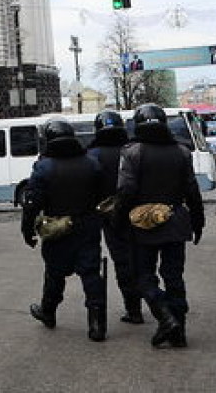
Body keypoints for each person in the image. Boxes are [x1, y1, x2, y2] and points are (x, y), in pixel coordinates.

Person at [115, 103, 204, 349]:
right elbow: (192, 191)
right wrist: (198, 221)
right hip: (176, 221)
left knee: (143, 275)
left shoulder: (132, 152)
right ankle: (179, 331)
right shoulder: (182, 151)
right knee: (174, 277)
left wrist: (118, 220)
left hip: (143, 225)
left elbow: (126, 190)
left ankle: (165, 316)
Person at [22, 117, 108, 342]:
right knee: (91, 274)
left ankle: (48, 312)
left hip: (57, 229)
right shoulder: (91, 162)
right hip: (88, 226)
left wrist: (27, 230)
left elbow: (32, 202)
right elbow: (104, 197)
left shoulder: (44, 166)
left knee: (54, 273)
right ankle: (97, 324)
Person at [87, 109, 144, 325]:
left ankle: (133, 309)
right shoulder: (133, 150)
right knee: (141, 260)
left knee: (122, 261)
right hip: (137, 212)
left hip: (109, 216)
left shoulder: (93, 155)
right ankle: (151, 301)